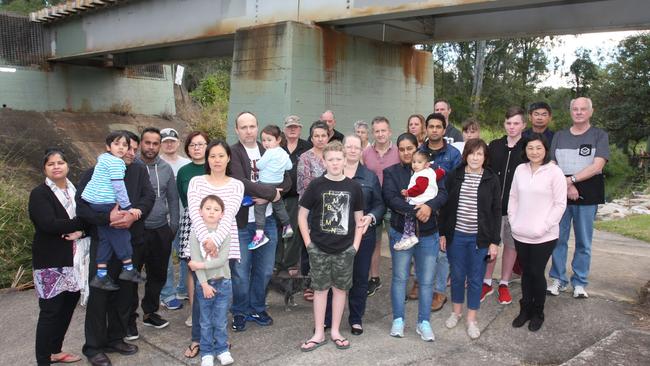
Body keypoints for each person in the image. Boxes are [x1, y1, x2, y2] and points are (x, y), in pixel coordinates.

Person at [77, 131, 155, 366]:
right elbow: (82, 207)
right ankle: (93, 347)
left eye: (133, 148)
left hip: (131, 244)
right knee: (99, 296)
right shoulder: (96, 171)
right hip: (104, 245)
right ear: (111, 148)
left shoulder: (139, 170)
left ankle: (116, 338)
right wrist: (106, 219)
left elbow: (148, 198)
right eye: (125, 147)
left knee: (124, 295)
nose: (130, 152)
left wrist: (133, 214)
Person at [298, 141, 365, 351]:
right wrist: (309, 245)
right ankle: (318, 333)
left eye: (338, 159)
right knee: (320, 290)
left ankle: (335, 330)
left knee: (340, 290)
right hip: (319, 249)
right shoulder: (317, 185)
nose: (335, 163)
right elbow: (302, 216)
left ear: (345, 160)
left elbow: (359, 219)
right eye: (331, 159)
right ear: (324, 161)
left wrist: (354, 246)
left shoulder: (353, 186)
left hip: (344, 250)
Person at [229, 112, 291, 331]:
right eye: (243, 127)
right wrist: (270, 193)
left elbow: (288, 178)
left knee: (264, 271)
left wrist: (275, 193)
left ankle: (256, 307)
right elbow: (240, 182)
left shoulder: (269, 147)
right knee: (240, 272)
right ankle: (239, 310)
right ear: (237, 130)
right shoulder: (234, 152)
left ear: (258, 127)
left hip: (268, 221)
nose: (249, 130)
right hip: (243, 223)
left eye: (252, 126)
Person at [383, 133, 447, 342]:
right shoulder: (391, 173)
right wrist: (415, 210)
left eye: (410, 148)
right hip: (400, 232)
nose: (406, 153)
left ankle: (424, 322)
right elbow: (391, 199)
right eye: (401, 149)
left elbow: (443, 193)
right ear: (397, 151)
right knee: (400, 277)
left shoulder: (431, 171)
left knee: (427, 280)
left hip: (428, 234)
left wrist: (430, 206)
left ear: (417, 147)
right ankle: (398, 320)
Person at [184, 139, 244, 361]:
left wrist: (216, 242)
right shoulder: (197, 182)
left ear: (228, 158)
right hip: (199, 244)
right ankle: (198, 340)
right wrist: (206, 241)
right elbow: (194, 212)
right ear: (206, 159)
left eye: (221, 155)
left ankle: (220, 342)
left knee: (221, 294)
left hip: (226, 245)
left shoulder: (237, 185)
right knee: (202, 293)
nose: (217, 160)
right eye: (212, 156)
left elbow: (228, 216)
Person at [439, 139, 501, 340]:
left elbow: (496, 211)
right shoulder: (454, 175)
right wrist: (442, 233)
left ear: (485, 157)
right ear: (466, 155)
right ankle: (456, 312)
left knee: (475, 279)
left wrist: (494, 241)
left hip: (479, 239)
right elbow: (445, 207)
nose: (475, 157)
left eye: (480, 154)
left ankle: (471, 319)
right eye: (472, 153)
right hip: (456, 236)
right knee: (457, 276)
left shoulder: (491, 179)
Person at [548, 97, 609, 299]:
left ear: (591, 112)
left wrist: (571, 180)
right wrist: (567, 185)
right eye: (575, 109)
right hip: (560, 195)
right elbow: (552, 163)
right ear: (570, 112)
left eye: (583, 109)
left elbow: (597, 166)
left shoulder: (599, 135)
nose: (579, 112)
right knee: (558, 239)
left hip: (589, 195)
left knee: (584, 242)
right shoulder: (559, 136)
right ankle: (558, 279)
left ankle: (580, 282)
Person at [323, 135, 385, 336]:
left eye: (356, 147)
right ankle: (328, 320)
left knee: (359, 279)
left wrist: (371, 217)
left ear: (361, 150)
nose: (351, 150)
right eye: (348, 146)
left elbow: (380, 204)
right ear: (342, 150)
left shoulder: (369, 176)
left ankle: (356, 319)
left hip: (363, 236)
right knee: (333, 280)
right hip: (334, 237)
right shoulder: (331, 173)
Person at [30, 148, 86, 366]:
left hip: (75, 259)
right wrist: (81, 223)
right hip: (50, 262)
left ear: (67, 165)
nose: (56, 166)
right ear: (44, 168)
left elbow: (88, 218)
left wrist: (82, 229)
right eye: (51, 163)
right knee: (50, 311)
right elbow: (48, 224)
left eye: (60, 162)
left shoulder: (76, 190)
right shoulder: (39, 193)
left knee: (67, 307)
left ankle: (55, 350)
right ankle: (43, 359)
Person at [509, 133, 567, 331]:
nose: (534, 152)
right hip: (520, 232)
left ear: (545, 149)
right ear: (525, 150)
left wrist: (544, 227)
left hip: (545, 234)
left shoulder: (555, 172)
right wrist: (513, 221)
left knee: (536, 272)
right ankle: (524, 310)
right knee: (526, 273)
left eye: (538, 148)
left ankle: (538, 312)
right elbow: (513, 198)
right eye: (530, 148)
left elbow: (560, 204)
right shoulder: (520, 170)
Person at [81, 131, 144, 290]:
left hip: (94, 202)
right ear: (108, 146)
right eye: (117, 144)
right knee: (122, 236)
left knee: (105, 240)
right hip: (105, 204)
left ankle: (101, 275)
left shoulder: (103, 160)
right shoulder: (116, 163)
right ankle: (129, 269)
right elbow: (119, 188)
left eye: (125, 145)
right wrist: (129, 208)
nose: (122, 148)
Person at [130, 127, 179, 331]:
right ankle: (127, 320)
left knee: (157, 275)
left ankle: (150, 312)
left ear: (159, 145)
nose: (151, 147)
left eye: (155, 143)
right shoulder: (131, 166)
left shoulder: (166, 169)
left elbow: (173, 199)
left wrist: (172, 227)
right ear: (141, 144)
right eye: (147, 142)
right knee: (131, 277)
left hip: (160, 230)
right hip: (136, 230)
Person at [481, 107, 527, 305]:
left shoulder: (528, 147)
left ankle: (505, 283)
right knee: (491, 245)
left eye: (516, 123)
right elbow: (487, 173)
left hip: (517, 209)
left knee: (511, 246)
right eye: (509, 123)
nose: (512, 127)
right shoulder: (495, 145)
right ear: (504, 124)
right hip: (494, 208)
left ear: (524, 125)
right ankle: (486, 281)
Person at [419, 112, 462, 312]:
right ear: (426, 129)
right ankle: (420, 282)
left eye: (438, 127)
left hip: (444, 209)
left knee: (442, 252)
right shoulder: (420, 152)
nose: (434, 130)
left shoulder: (453, 154)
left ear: (444, 130)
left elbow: (457, 184)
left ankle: (439, 291)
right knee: (421, 248)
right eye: (431, 126)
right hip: (422, 208)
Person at [188, 195, 234, 366]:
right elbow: (194, 257)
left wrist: (200, 264)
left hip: (224, 282)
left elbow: (221, 260)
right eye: (208, 209)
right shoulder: (196, 234)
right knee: (205, 321)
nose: (212, 212)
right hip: (204, 285)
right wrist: (204, 284)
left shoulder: (225, 233)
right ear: (200, 212)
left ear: (222, 214)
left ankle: (222, 349)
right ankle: (207, 352)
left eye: (216, 209)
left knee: (220, 320)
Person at [176, 131, 210, 356]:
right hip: (192, 218)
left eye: (201, 144)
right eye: (193, 145)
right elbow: (183, 197)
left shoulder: (213, 166)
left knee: (213, 265)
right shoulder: (184, 171)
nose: (197, 148)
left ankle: (212, 311)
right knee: (192, 266)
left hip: (214, 218)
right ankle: (193, 310)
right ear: (187, 148)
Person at [362, 116, 400, 297]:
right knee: (374, 243)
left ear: (390, 132)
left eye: (383, 130)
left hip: (394, 204)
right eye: (377, 131)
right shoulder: (366, 153)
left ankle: (399, 281)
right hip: (374, 205)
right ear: (372, 133)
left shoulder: (399, 151)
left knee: (397, 242)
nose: (380, 134)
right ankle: (374, 278)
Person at [275, 115, 312, 276]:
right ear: (284, 129)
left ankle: (290, 263)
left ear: (300, 129)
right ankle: (276, 262)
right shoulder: (278, 146)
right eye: (289, 127)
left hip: (296, 196)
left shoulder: (306, 146)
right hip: (276, 195)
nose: (292, 129)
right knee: (276, 228)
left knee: (294, 230)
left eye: (295, 127)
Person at [159, 127, 191, 311]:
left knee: (187, 255)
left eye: (172, 140)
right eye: (165, 142)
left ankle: (184, 289)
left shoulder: (186, 164)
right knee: (165, 259)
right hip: (163, 220)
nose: (169, 144)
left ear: (178, 142)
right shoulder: (155, 164)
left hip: (185, 218)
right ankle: (167, 293)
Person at [297, 120, 329, 301]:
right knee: (309, 247)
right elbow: (304, 186)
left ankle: (326, 281)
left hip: (332, 209)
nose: (320, 139)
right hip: (310, 209)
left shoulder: (334, 155)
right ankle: (308, 283)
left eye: (323, 135)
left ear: (328, 136)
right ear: (311, 137)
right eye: (316, 136)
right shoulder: (305, 157)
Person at [250, 124, 293, 249]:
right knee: (279, 206)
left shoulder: (269, 153)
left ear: (278, 139)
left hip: (264, 183)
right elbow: (289, 167)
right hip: (277, 184)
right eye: (263, 140)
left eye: (269, 140)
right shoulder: (284, 153)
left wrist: (259, 162)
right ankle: (287, 225)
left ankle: (259, 234)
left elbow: (259, 166)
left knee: (259, 207)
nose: (266, 143)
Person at [394, 150, 438, 250]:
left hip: (420, 200)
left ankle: (408, 236)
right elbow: (437, 175)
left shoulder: (421, 175)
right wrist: (441, 172)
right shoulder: (429, 171)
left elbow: (419, 188)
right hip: (428, 199)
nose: (415, 165)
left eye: (419, 162)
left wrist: (407, 192)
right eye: (414, 162)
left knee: (408, 217)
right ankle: (410, 236)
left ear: (426, 164)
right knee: (411, 218)